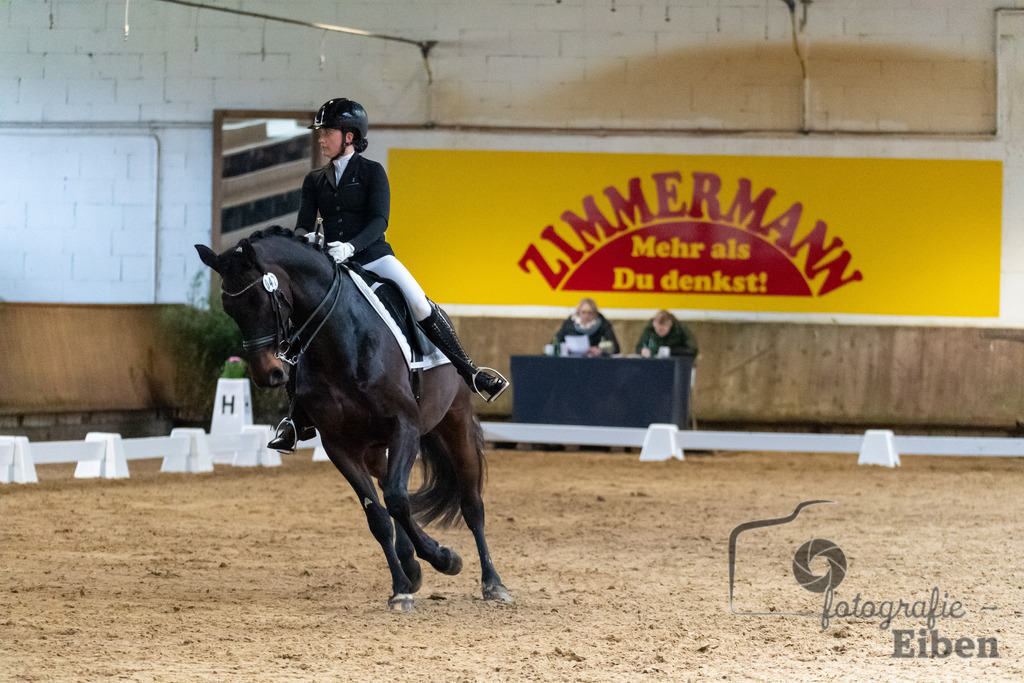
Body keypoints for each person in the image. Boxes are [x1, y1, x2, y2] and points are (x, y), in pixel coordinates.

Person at [268, 97, 508, 452]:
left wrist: (350, 247)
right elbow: (304, 223)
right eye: (320, 133)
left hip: (373, 257)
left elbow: (380, 220)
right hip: (332, 266)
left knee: (418, 301)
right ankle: (292, 418)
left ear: (349, 137)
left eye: (327, 132)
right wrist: (307, 241)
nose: (321, 139)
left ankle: (471, 372)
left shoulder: (371, 173)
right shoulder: (314, 180)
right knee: (298, 326)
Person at [552, 298, 620, 357]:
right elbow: (556, 343)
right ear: (578, 312)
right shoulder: (569, 324)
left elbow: (615, 347)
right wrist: (565, 348)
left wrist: (600, 349)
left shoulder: (603, 325)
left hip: (596, 362)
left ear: (595, 313)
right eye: (583, 312)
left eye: (590, 313)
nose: (586, 316)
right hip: (573, 360)